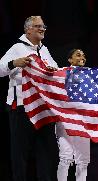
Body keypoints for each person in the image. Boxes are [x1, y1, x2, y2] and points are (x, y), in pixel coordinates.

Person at [0, 16, 59, 181]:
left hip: (43, 108)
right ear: (28, 30)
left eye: (44, 26)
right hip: (21, 106)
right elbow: (0, 69)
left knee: (46, 152)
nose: (43, 29)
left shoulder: (44, 50)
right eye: (38, 26)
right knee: (20, 152)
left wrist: (54, 70)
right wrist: (14, 63)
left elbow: (57, 72)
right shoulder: (17, 48)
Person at [56, 49, 90, 181]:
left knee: (83, 160)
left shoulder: (90, 75)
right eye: (78, 55)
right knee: (66, 157)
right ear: (70, 60)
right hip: (66, 119)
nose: (82, 57)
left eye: (83, 55)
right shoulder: (61, 72)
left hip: (83, 121)